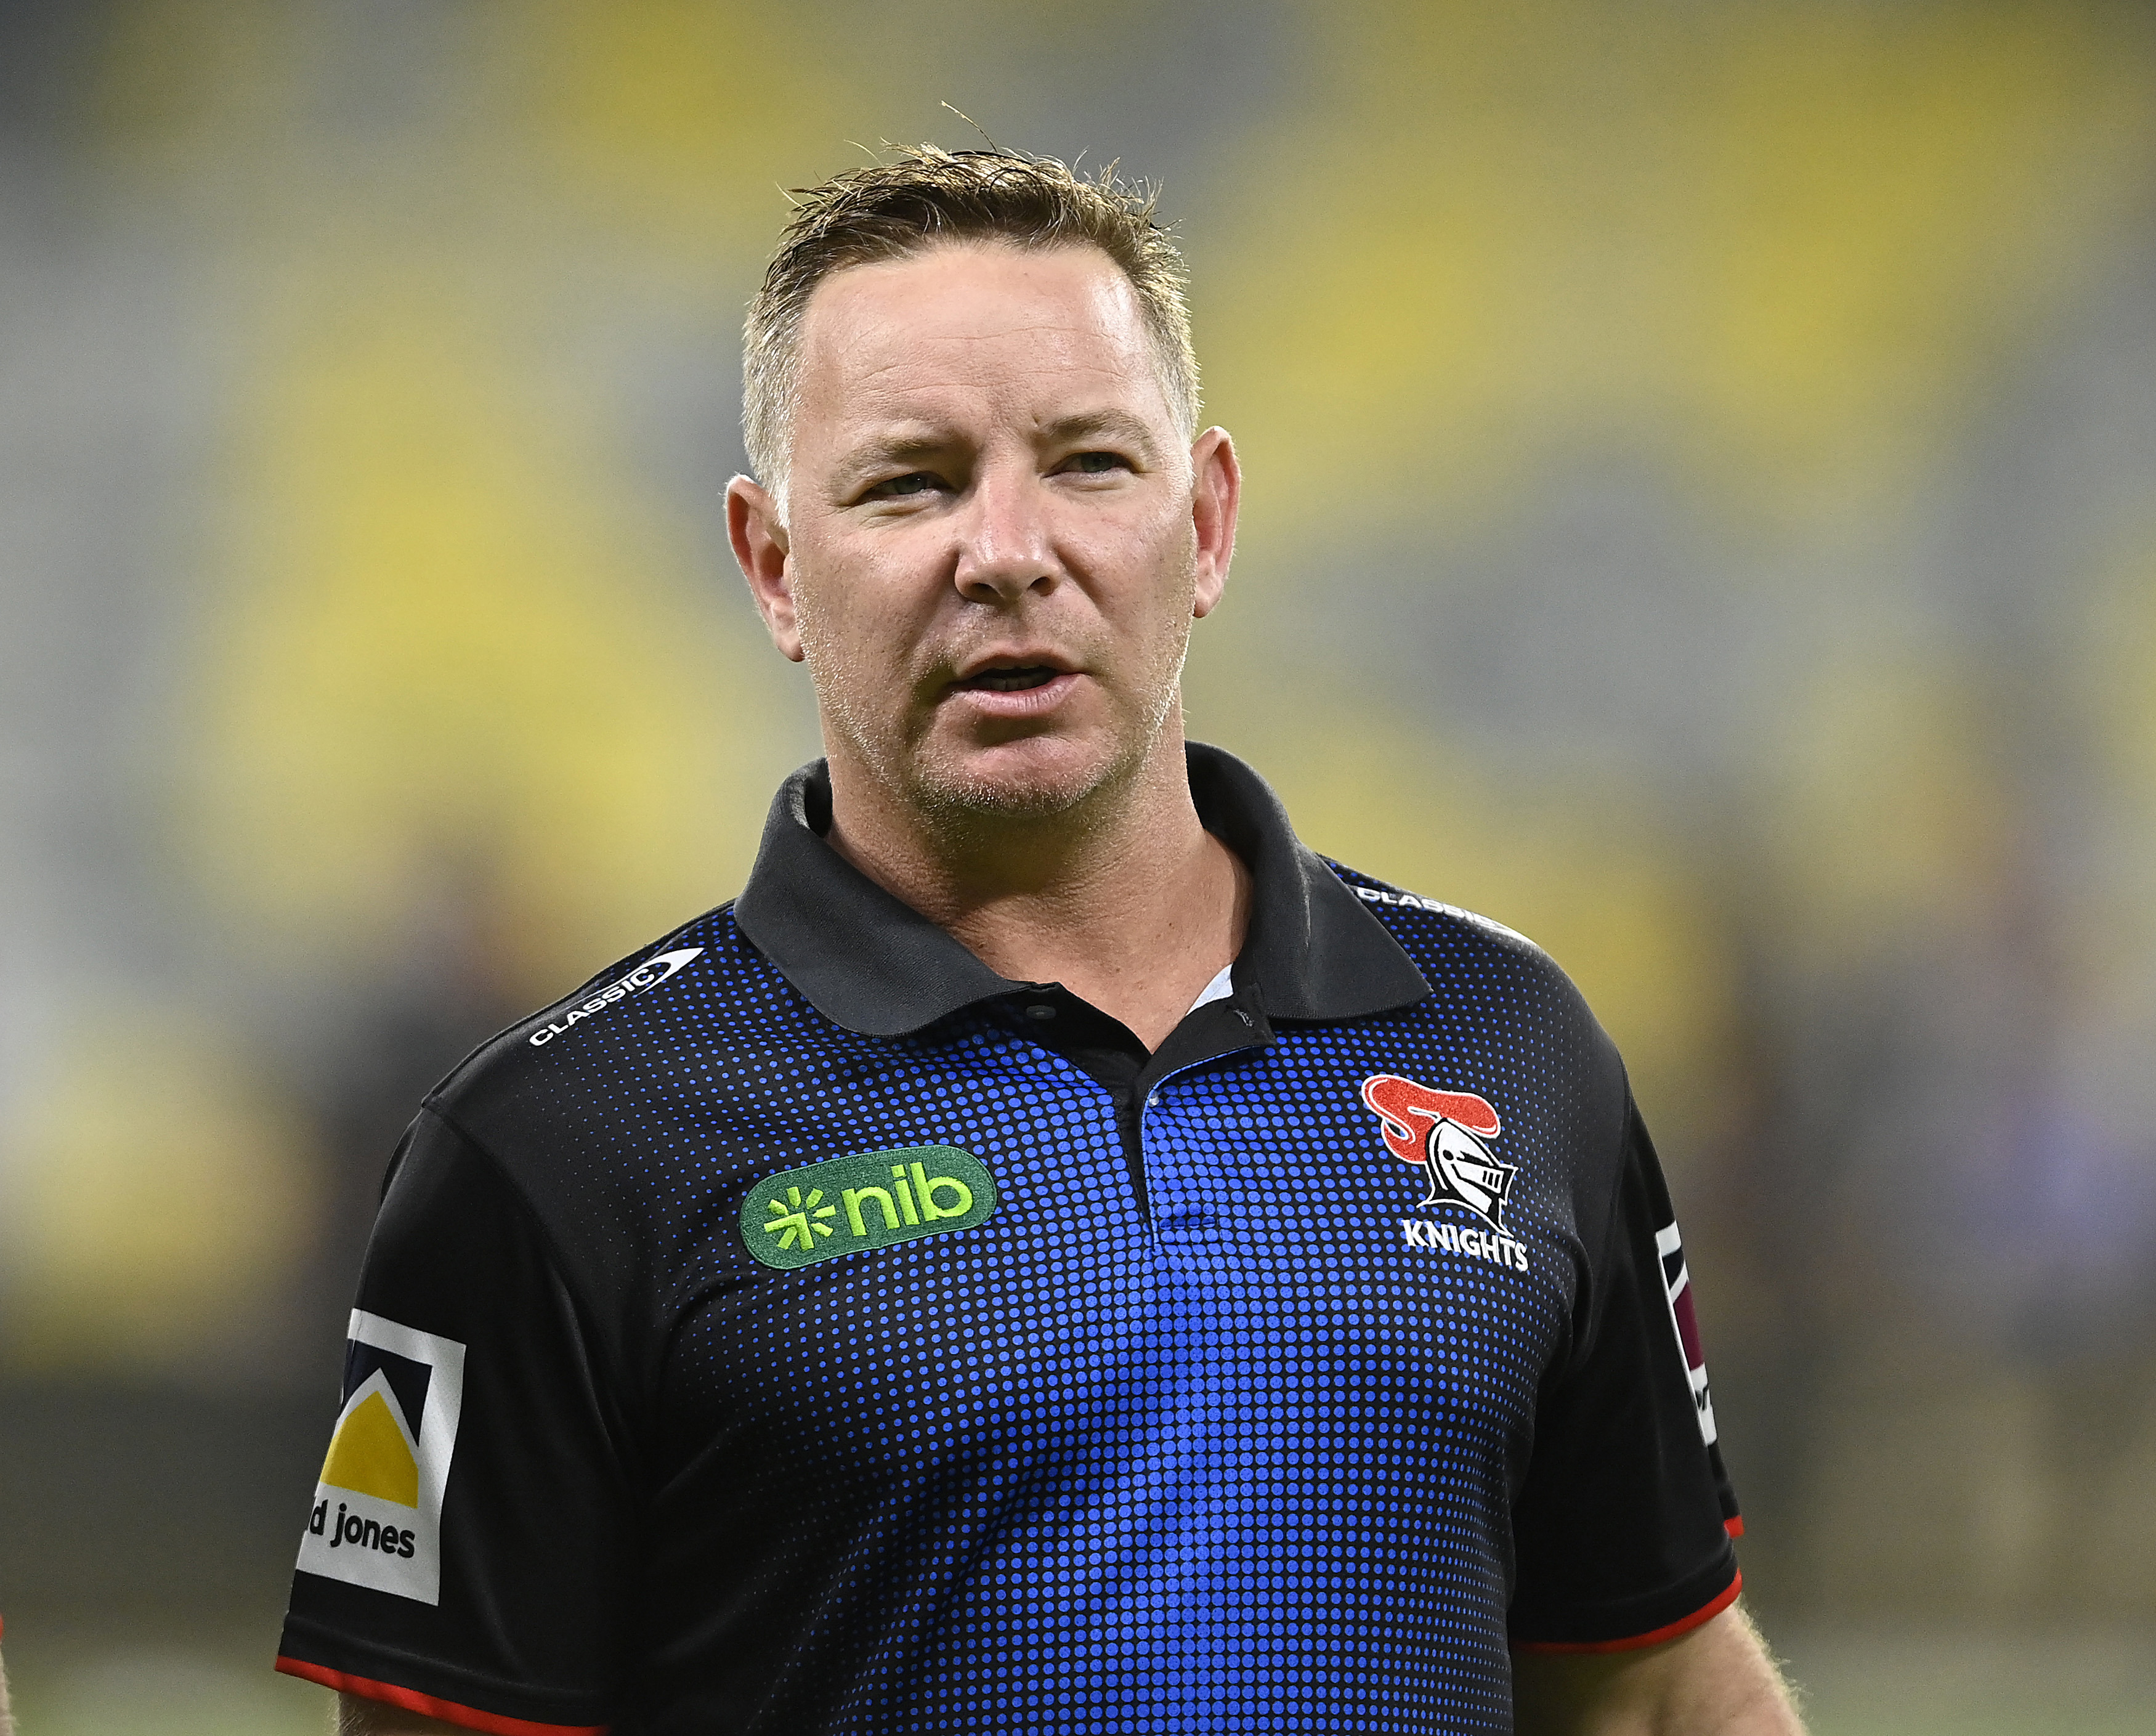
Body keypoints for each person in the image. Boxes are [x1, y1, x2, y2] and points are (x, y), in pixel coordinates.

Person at [276, 146, 1804, 1735]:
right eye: (910, 481)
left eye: (1086, 463)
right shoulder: (549, 1153)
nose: (1005, 550)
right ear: (774, 566)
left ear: (1205, 523)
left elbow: (1654, 1697)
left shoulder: (1511, 1045)